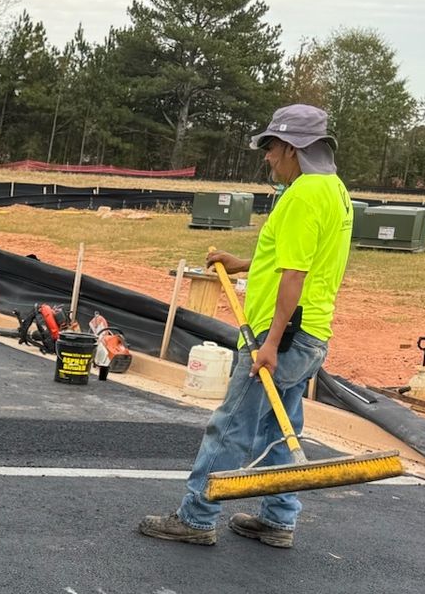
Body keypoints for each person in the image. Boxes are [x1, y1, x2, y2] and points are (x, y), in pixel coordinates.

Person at [139, 104, 354, 550]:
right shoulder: (334, 191)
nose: (267, 156)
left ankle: (196, 516)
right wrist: (245, 264)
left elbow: (293, 275)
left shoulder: (301, 196)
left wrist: (270, 344)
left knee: (232, 426)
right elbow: (294, 258)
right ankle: (278, 519)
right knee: (281, 429)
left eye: (272, 146)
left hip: (283, 338)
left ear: (294, 148)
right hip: (312, 335)